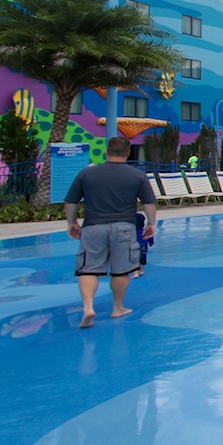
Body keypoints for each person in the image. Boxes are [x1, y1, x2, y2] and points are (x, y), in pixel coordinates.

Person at [64, 136, 157, 328]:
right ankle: (117, 307)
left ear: (107, 152)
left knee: (88, 269)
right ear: (128, 153)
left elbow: (71, 201)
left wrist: (72, 223)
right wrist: (151, 224)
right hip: (124, 227)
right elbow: (149, 203)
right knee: (121, 271)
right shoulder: (137, 175)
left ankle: (88, 307)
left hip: (93, 227)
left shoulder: (87, 174)